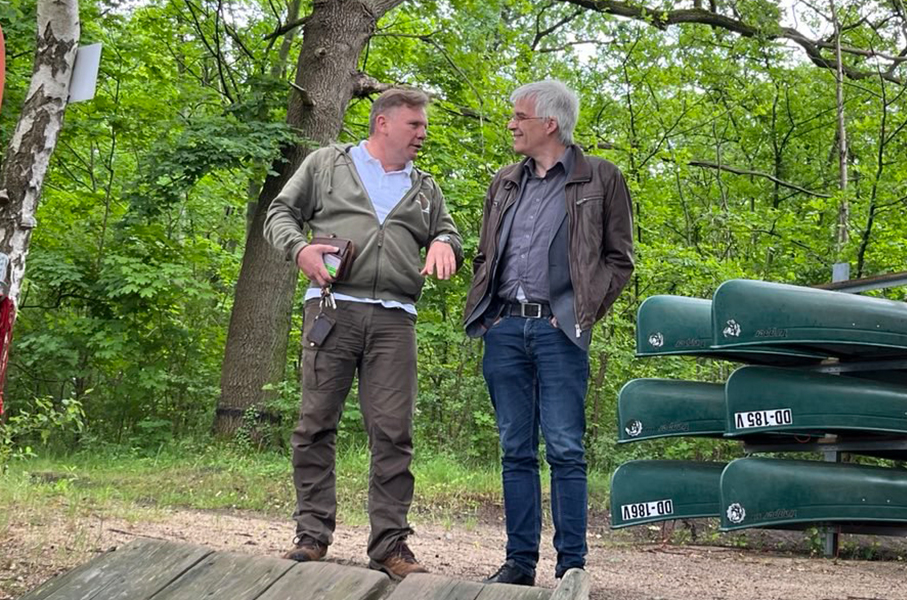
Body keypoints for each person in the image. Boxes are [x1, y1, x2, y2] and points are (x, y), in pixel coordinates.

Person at [264, 87, 462, 580]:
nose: (423, 133)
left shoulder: (425, 188)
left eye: (423, 125)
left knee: (394, 432)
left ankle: (390, 546)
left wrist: (442, 242)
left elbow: (451, 232)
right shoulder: (327, 165)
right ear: (383, 124)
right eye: (415, 125)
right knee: (315, 423)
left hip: (395, 318)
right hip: (333, 310)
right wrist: (300, 251)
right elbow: (279, 214)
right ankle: (311, 536)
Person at [463, 80, 635, 585]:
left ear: (550, 124)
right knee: (515, 448)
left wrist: (578, 315)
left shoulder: (601, 178)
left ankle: (570, 568)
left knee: (564, 449)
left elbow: (618, 260)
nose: (512, 124)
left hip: (560, 333)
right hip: (505, 328)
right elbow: (486, 253)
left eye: (519, 116)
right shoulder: (505, 182)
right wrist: (490, 314)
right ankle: (519, 564)